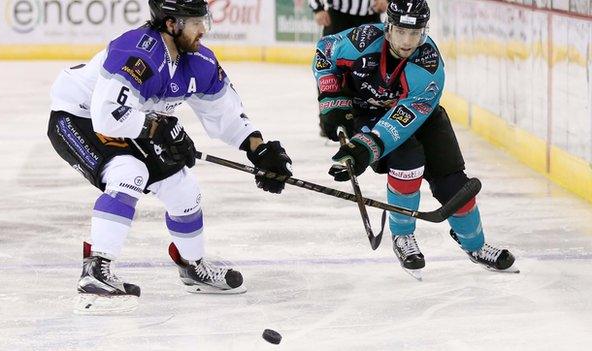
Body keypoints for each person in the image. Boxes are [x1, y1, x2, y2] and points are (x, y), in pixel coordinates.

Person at [47, 0, 293, 314]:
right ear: (171, 24)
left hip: (131, 121)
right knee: (127, 171)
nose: (203, 29)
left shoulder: (199, 61)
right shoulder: (138, 54)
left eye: (203, 20)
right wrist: (158, 128)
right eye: (194, 22)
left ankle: (193, 267)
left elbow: (226, 115)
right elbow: (107, 116)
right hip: (78, 116)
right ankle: (96, 268)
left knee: (183, 188)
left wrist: (258, 148)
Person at [311, 0, 517, 278]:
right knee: (407, 160)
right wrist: (331, 99)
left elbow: (402, 121)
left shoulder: (428, 63)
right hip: (365, 112)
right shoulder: (361, 41)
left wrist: (364, 149)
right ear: (389, 27)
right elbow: (324, 53)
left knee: (454, 183)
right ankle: (403, 237)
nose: (408, 41)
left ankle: (476, 246)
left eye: (415, 33)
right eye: (401, 32)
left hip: (417, 116)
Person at [310, 0, 388, 137]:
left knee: (372, 67)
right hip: (338, 17)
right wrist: (317, 8)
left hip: (371, 17)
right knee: (329, 63)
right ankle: (329, 117)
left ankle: (367, 117)